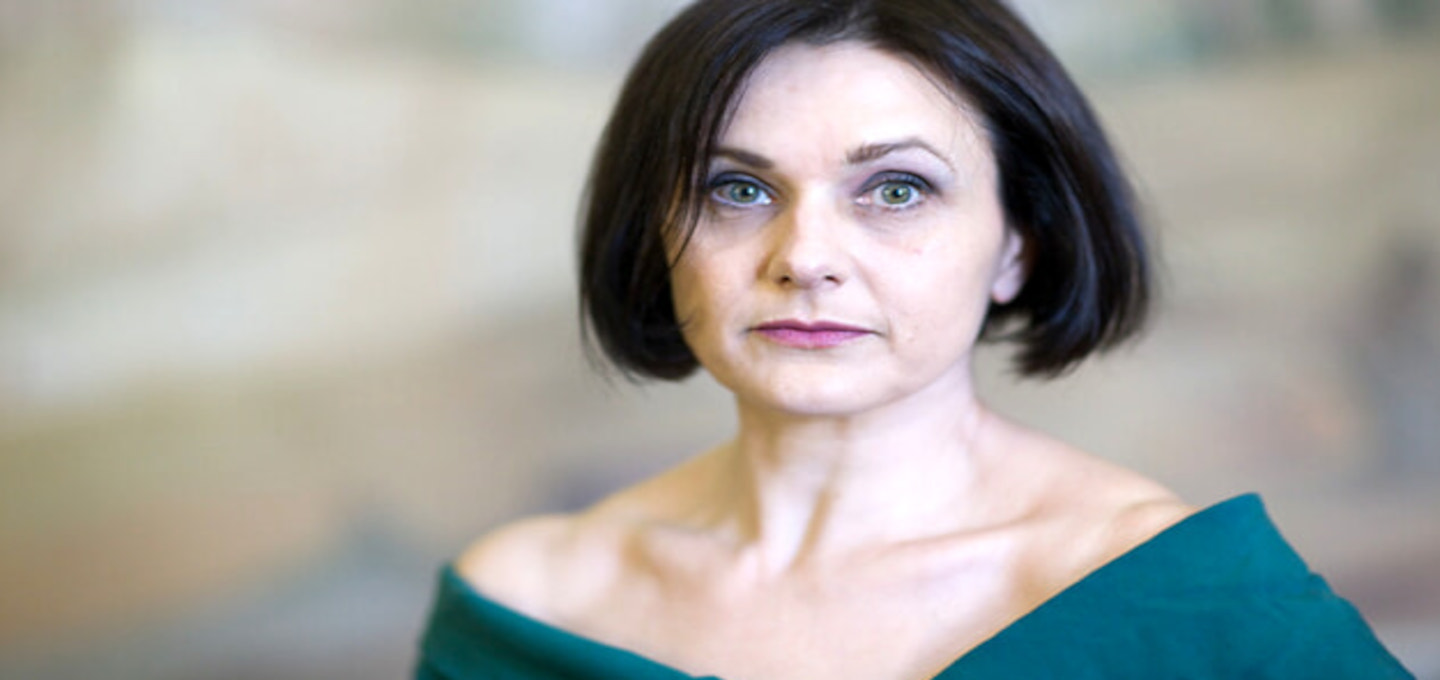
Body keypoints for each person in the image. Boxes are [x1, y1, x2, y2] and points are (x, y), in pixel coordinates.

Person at [414, 1, 1412, 678]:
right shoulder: (526, 604)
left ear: (1018, 244)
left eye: (896, 189)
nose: (805, 256)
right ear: (658, 236)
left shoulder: (1196, 604)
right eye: (738, 188)